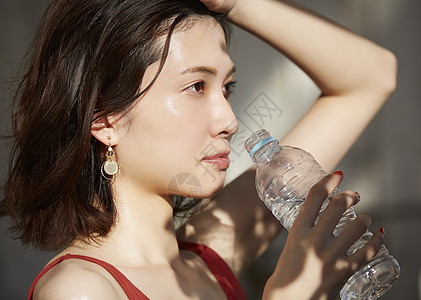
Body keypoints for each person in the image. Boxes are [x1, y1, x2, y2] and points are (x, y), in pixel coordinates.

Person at [0, 0, 397, 299]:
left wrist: (234, 4)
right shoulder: (80, 290)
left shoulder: (209, 254)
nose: (229, 119)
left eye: (227, 88)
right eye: (196, 87)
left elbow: (371, 77)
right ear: (105, 120)